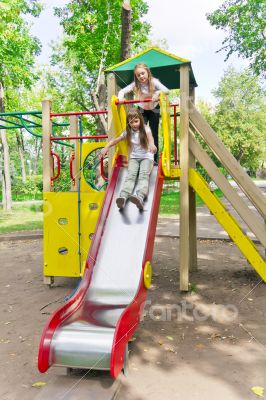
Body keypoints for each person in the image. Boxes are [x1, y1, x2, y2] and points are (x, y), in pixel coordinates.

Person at [100, 108, 157, 210]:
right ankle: (123, 197)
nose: (134, 124)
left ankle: (140, 196)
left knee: (143, 174)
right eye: (131, 122)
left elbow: (151, 138)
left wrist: (152, 145)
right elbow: (116, 140)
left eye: (136, 121)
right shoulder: (128, 132)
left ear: (140, 119)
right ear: (128, 123)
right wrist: (106, 147)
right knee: (131, 175)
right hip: (134, 158)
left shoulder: (145, 129)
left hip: (147, 157)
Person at [117, 62, 169, 162]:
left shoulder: (153, 81)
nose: (141, 76)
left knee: (153, 133)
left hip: (154, 109)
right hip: (142, 110)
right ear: (136, 77)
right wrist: (120, 98)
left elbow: (166, 90)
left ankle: (154, 158)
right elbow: (122, 91)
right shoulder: (136, 84)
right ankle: (141, 156)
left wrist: (158, 93)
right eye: (138, 75)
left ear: (147, 72)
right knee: (140, 131)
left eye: (142, 73)